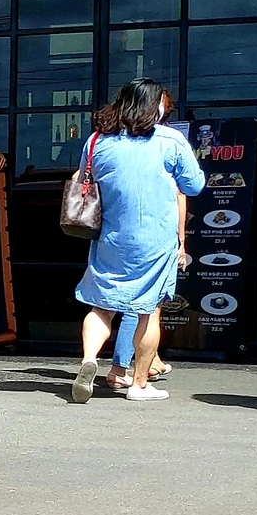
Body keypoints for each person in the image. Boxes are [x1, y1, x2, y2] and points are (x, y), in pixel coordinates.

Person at [70, 80, 203, 404]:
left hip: (111, 236)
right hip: (155, 239)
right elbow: (195, 184)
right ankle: (139, 384)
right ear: (154, 106)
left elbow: (87, 177)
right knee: (149, 312)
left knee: (101, 306)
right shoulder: (170, 139)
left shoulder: (97, 139)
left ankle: (89, 359)